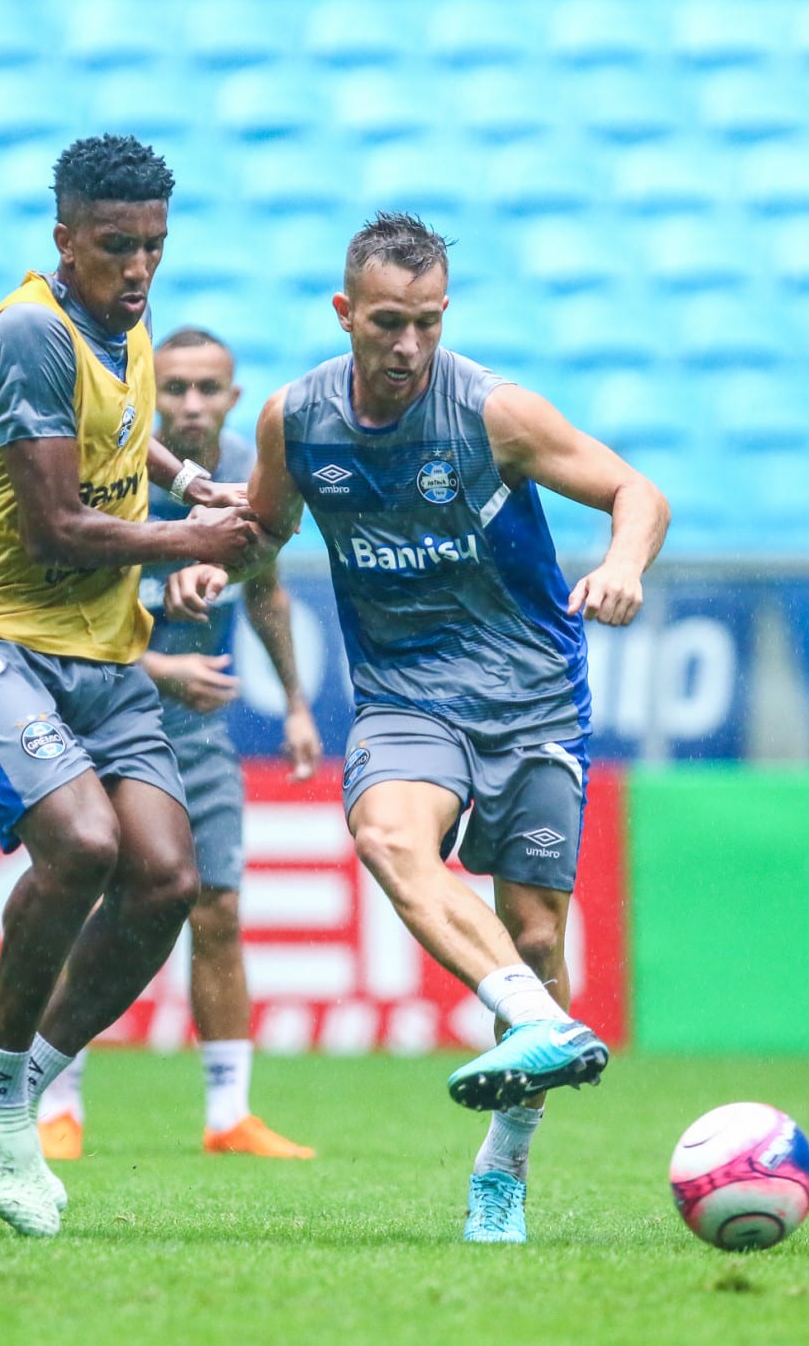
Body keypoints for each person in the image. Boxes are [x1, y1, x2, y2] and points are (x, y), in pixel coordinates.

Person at [164, 213, 670, 1245]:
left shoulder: (495, 412)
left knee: (534, 933)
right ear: (344, 313)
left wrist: (619, 564)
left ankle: (504, 1165)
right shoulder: (294, 420)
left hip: (532, 693)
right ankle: (535, 1021)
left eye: (427, 324)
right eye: (387, 322)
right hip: (405, 694)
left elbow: (635, 492)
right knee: (389, 837)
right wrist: (223, 555)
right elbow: (266, 524)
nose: (407, 347)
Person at [0, 136, 259, 1238]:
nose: (137, 270)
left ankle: (4, 1095)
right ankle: (1, 1084)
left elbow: (114, 447)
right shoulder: (34, 332)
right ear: (63, 241)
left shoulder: (120, 329)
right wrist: (188, 532)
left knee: (165, 879)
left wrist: (189, 478)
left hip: (90, 641)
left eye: (153, 248)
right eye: (114, 247)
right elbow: (56, 523)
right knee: (83, 846)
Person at [35, 326, 321, 1163]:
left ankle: (230, 1113)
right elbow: (56, 610)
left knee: (220, 906)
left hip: (199, 733)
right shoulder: (108, 468)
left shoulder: (247, 474)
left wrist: (297, 701)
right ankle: (58, 1106)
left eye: (208, 388)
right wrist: (159, 667)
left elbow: (263, 586)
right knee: (78, 899)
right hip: (93, 718)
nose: (191, 403)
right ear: (153, 394)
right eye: (177, 388)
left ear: (233, 397)